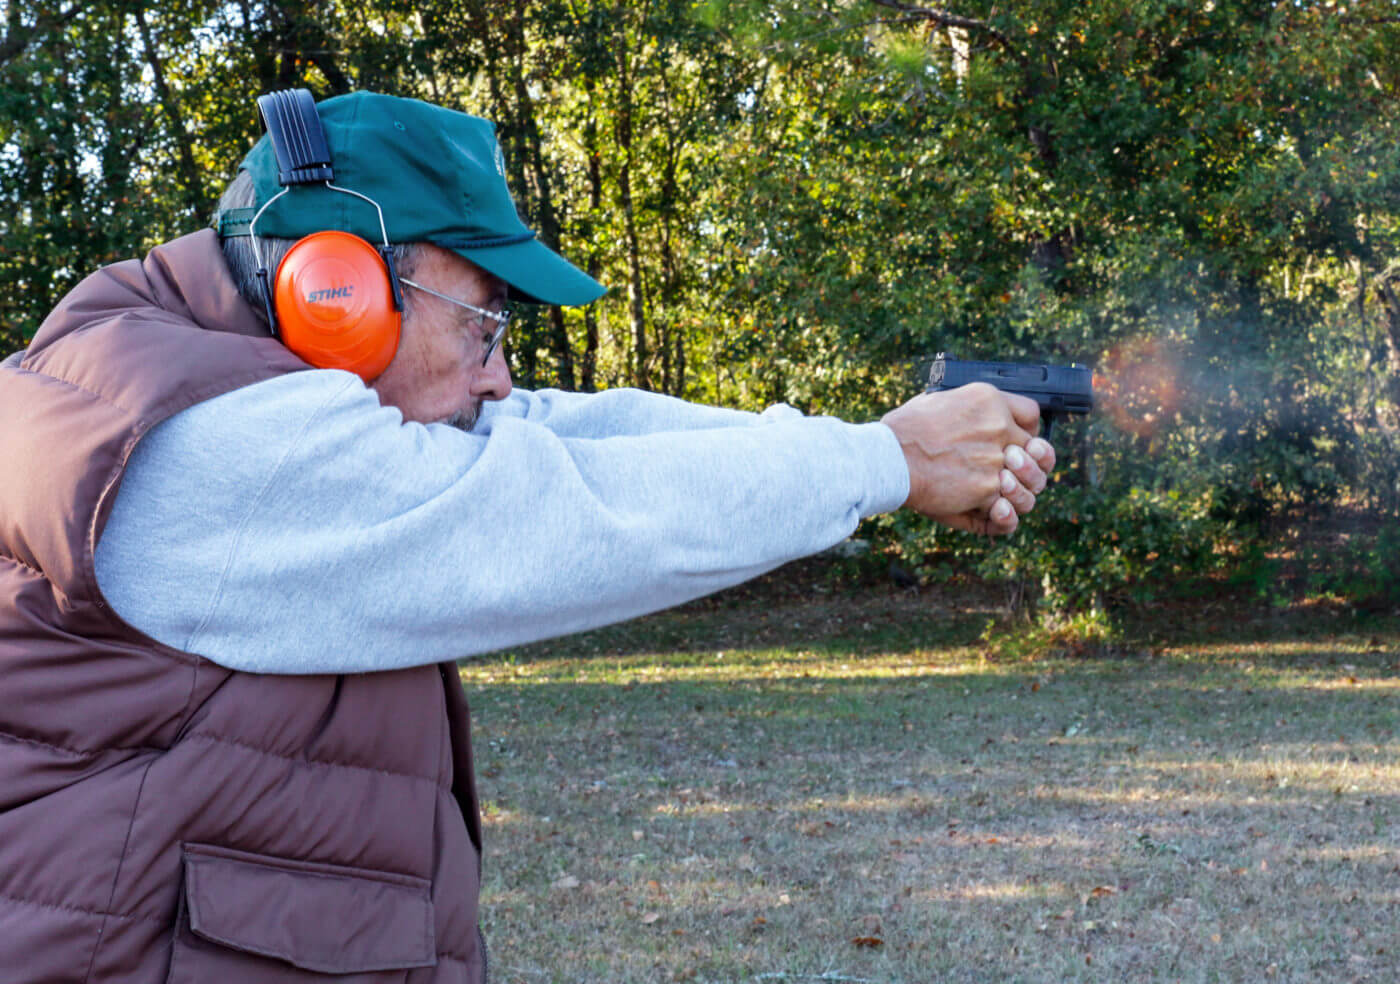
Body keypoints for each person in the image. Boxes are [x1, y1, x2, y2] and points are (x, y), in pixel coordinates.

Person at [0, 90, 1054, 983]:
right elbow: (545, 511)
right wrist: (887, 465)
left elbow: (561, 430)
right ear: (338, 293)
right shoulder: (191, 447)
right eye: (481, 323)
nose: (499, 372)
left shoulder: (187, 378)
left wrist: (880, 451)